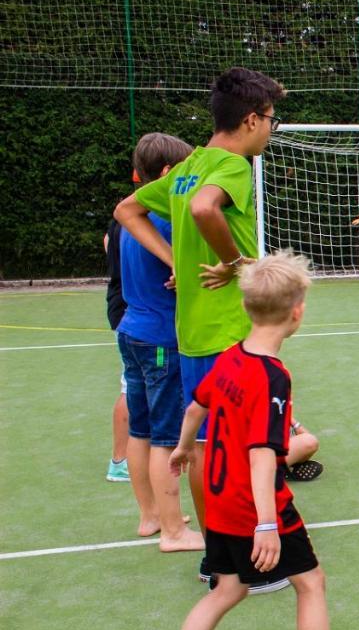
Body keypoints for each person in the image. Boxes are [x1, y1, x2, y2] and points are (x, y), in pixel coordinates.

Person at [134, 251, 359, 630]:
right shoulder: (273, 377)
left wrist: (185, 449)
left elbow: (194, 409)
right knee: (310, 583)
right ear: (297, 312)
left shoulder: (230, 357)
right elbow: (263, 454)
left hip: (221, 506)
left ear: (247, 308)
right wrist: (267, 523)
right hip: (254, 509)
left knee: (227, 589)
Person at [114, 67, 312, 591]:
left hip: (191, 332)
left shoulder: (187, 166)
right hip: (231, 332)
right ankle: (248, 556)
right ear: (251, 119)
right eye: (272, 119)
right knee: (249, 447)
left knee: (204, 447)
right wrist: (237, 263)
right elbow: (205, 209)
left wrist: (173, 256)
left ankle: (217, 558)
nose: (273, 129)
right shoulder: (230, 166)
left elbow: (126, 210)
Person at [117, 132, 205, 551]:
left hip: (132, 331)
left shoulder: (133, 219)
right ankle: (173, 531)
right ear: (169, 174)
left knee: (140, 430)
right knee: (167, 436)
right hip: (159, 339)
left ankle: (151, 517)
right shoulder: (169, 219)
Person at [105, 218, 130, 483]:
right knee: (132, 387)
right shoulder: (141, 213)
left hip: (121, 305)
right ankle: (119, 461)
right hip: (131, 310)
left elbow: (106, 242)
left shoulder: (121, 214)